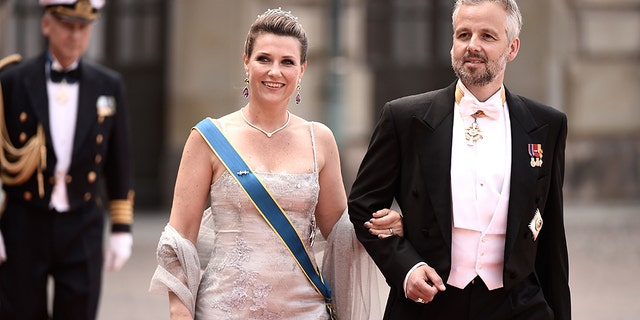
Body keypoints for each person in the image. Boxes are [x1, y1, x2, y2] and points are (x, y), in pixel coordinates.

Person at [149, 7, 402, 320]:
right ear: (246, 61)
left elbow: (340, 235)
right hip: (223, 311)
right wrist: (179, 311)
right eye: (264, 59)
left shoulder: (319, 139)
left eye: (287, 62)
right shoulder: (208, 137)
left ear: (302, 70)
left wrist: (384, 226)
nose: (274, 72)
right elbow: (180, 238)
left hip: (304, 311)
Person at [348, 0, 571, 319]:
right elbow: (362, 205)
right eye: (463, 34)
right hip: (430, 304)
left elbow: (551, 238)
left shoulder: (546, 125)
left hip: (518, 306)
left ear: (512, 47)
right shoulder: (404, 118)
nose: (472, 46)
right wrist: (407, 268)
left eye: (487, 36)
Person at [0, 1, 135, 319]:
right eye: (67, 26)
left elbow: (120, 159)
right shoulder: (12, 80)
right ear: (47, 25)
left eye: (83, 28)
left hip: (82, 221)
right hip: (24, 221)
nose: (75, 36)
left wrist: (121, 228)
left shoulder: (108, 84)